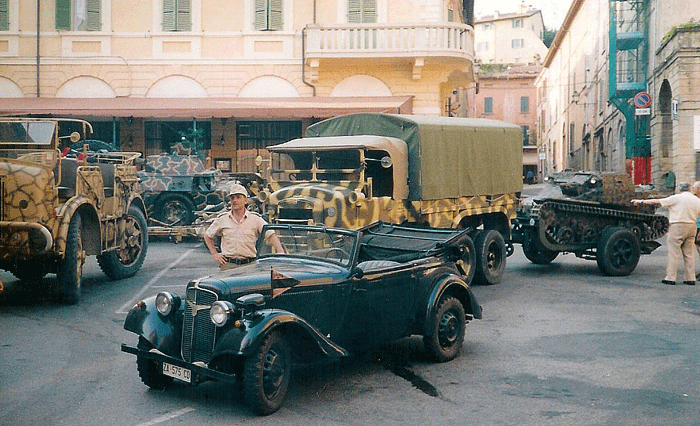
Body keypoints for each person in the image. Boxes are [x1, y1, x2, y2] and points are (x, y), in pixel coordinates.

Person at [632, 181, 700, 285]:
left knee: (673, 253)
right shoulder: (696, 200)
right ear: (690, 189)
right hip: (692, 226)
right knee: (689, 253)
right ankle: (690, 278)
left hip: (677, 225)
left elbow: (658, 201)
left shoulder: (676, 198)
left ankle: (671, 277)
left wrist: (641, 201)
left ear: (679, 189)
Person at [204, 183, 284, 268]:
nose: (235, 200)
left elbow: (271, 234)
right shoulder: (222, 219)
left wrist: (280, 252)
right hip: (228, 265)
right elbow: (208, 235)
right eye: (232, 198)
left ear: (245, 200)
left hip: (249, 265)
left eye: (238, 197)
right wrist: (215, 254)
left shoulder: (255, 219)